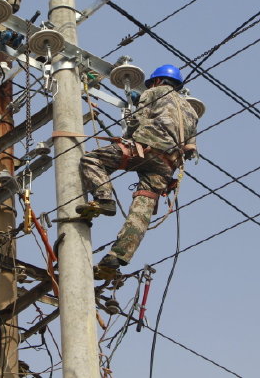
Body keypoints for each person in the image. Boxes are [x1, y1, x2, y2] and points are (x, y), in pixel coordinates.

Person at [77, 64, 199, 279]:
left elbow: (139, 119)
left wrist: (128, 135)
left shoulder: (154, 92)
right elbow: (191, 147)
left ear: (157, 81)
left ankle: (104, 199)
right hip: (168, 164)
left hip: (145, 148)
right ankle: (116, 257)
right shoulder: (191, 110)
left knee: (92, 159)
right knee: (143, 209)